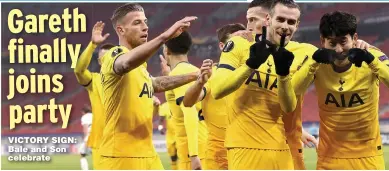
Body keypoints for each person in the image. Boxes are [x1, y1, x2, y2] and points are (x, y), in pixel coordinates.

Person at [210, 0, 372, 169]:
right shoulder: (240, 45)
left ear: (297, 25)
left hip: (283, 147)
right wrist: (250, 65)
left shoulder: (306, 52)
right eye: (280, 19)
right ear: (268, 19)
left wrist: (363, 46)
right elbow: (218, 90)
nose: (285, 26)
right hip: (243, 147)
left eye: (291, 22)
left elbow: (340, 53)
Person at [98, 3, 211, 170]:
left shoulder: (141, 67)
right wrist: (165, 36)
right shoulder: (113, 55)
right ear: (121, 30)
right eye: (137, 23)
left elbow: (156, 84)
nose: (145, 27)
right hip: (120, 156)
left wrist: (194, 76)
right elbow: (125, 63)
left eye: (145, 22)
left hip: (148, 153)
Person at [290, 11, 388, 170]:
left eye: (343, 41)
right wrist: (313, 64)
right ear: (322, 41)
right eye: (332, 43)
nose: (338, 49)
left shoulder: (372, 56)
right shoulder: (315, 62)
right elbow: (290, 93)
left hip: (368, 157)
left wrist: (371, 61)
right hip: (329, 158)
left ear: (355, 38)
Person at [182, 23, 246, 170]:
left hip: (249, 150)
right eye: (235, 42)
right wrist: (199, 83)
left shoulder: (256, 72)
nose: (241, 46)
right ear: (222, 46)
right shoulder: (212, 74)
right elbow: (188, 102)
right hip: (219, 154)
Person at [163, 31, 211, 170]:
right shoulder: (197, 71)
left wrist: (193, 155)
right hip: (205, 145)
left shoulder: (179, 74)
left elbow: (190, 113)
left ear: (167, 50)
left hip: (192, 154)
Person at [74, 21, 114, 169]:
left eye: (110, 57)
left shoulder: (128, 79)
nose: (106, 61)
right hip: (101, 144)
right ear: (98, 61)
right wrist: (92, 45)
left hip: (126, 143)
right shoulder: (95, 80)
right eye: (103, 58)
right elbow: (79, 71)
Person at [79, 106, 93, 170]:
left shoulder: (84, 117)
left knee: (82, 154)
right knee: (96, 153)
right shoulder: (94, 115)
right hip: (98, 136)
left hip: (89, 136)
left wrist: (85, 137)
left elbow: (85, 127)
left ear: (83, 112)